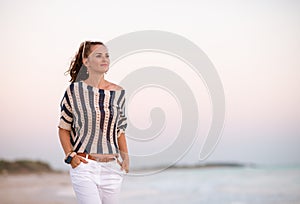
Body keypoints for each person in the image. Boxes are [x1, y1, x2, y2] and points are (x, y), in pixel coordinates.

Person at [58, 41, 129, 204]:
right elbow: (63, 128)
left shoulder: (118, 93)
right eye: (98, 55)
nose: (105, 59)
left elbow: (120, 130)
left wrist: (126, 159)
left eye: (107, 55)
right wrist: (70, 156)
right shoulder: (74, 91)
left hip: (112, 169)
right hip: (84, 167)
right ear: (86, 61)